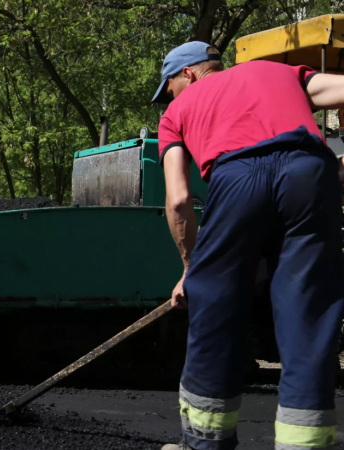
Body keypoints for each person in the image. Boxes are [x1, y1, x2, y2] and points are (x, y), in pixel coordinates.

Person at [154, 41, 344, 450]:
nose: (168, 98)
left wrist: (191, 270)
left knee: (216, 307)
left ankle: (205, 444)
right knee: (307, 309)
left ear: (188, 74)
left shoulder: (174, 115)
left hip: (237, 177)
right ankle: (305, 444)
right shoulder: (279, 72)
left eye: (168, 87)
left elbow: (179, 200)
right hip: (310, 172)